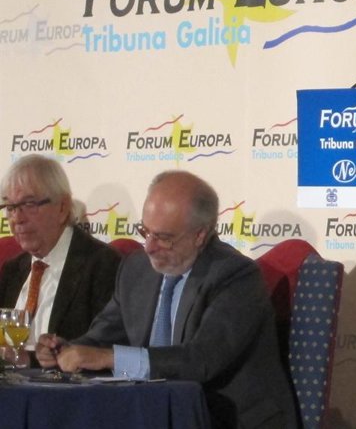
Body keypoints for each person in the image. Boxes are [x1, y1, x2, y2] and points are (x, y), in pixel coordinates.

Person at [35, 170, 297, 429]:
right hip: (151, 413)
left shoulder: (236, 276)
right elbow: (101, 338)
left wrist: (109, 358)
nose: (149, 246)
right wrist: (65, 350)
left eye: (163, 238)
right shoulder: (136, 269)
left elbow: (201, 360)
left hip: (225, 417)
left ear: (200, 235)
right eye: (145, 231)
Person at [0, 154, 120, 355]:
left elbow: (103, 349)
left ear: (63, 208)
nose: (17, 218)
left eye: (29, 205)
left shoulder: (102, 265)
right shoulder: (12, 270)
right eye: (11, 208)